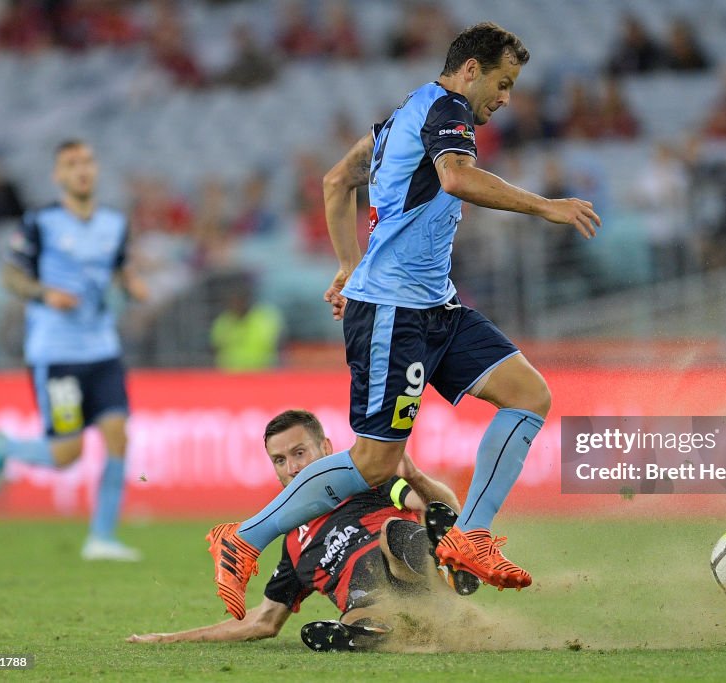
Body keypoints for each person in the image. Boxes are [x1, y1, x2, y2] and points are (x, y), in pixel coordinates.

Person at [206, 22, 600, 620]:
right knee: (375, 463)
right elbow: (458, 177)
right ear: (471, 70)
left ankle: (471, 536)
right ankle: (244, 539)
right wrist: (545, 205)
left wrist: (346, 264)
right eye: (503, 82)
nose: (505, 98)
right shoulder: (445, 109)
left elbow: (337, 181)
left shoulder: (400, 118)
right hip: (394, 310)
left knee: (528, 395)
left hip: (433, 305)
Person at [128, 410, 476, 651]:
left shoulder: (367, 483)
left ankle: (445, 562)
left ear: (325, 448)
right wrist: (171, 639)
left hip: (409, 567)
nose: (292, 468)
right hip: (381, 604)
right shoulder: (293, 546)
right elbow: (262, 622)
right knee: (360, 610)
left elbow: (440, 506)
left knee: (394, 532)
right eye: (279, 460)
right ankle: (371, 633)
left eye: (299, 453)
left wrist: (413, 476)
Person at [0, 139, 149, 562]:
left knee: (118, 435)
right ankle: (5, 447)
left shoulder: (114, 223)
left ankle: (102, 538)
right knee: (66, 454)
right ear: (58, 175)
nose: (81, 170)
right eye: (71, 164)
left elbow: (120, 267)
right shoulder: (41, 222)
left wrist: (131, 283)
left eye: (87, 161)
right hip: (58, 355)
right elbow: (9, 274)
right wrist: (43, 294)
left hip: (103, 350)